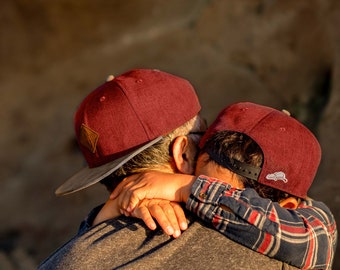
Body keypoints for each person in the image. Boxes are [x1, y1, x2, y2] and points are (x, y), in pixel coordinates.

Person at [38, 70, 297, 269]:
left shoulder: (67, 260)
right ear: (182, 152)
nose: (209, 142)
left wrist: (101, 221)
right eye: (203, 133)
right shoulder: (264, 234)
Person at [111, 102, 337, 269]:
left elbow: (314, 239)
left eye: (218, 194)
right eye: (197, 178)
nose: (198, 209)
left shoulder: (312, 229)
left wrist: (185, 188)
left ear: (286, 207)